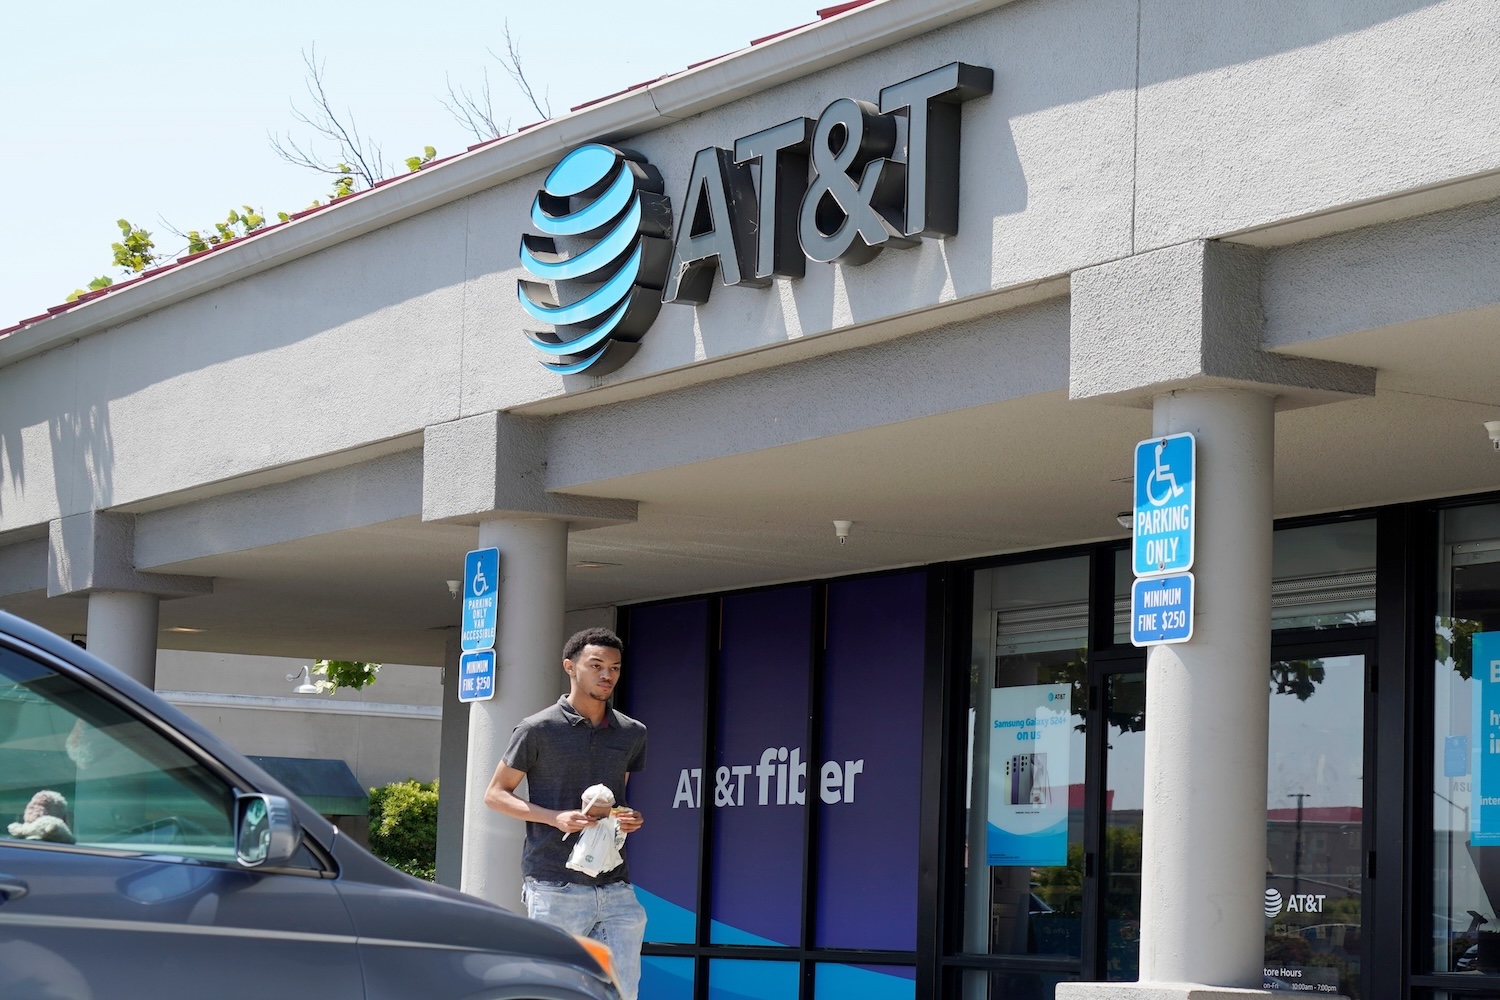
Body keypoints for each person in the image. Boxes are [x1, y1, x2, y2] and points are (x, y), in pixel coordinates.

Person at [484, 626, 648, 1000]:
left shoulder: (632, 733)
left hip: (616, 885)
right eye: (596, 665)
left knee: (622, 993)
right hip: (555, 884)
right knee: (554, 991)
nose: (607, 675)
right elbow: (495, 795)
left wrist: (627, 817)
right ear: (570, 667)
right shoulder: (537, 729)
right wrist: (554, 817)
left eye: (615, 668)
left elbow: (616, 797)